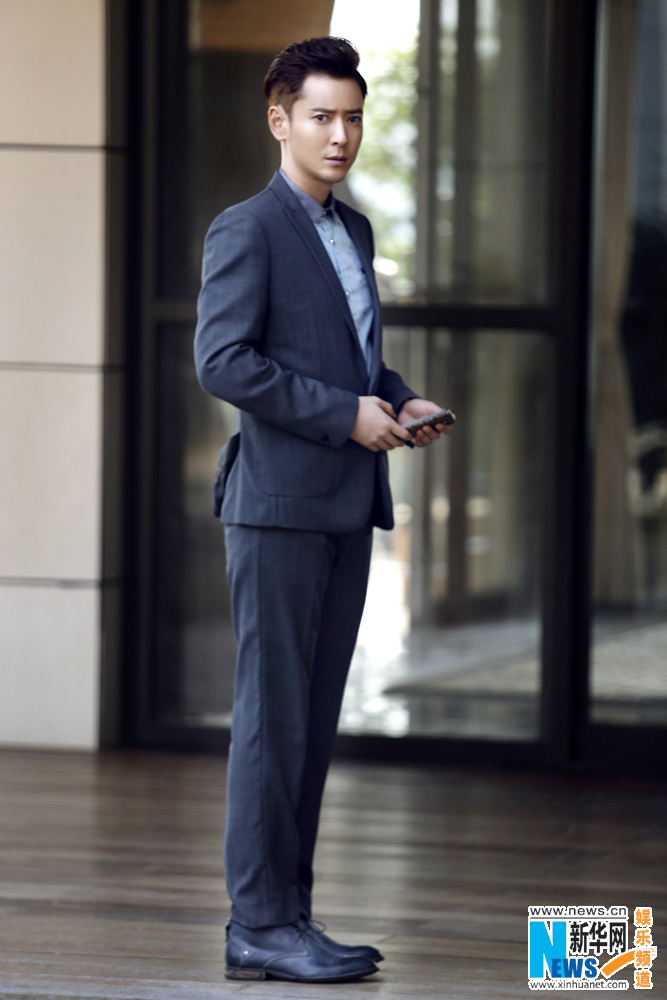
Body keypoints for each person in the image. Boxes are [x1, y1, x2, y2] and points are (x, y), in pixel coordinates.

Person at [194, 36, 452, 984]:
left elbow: (349, 356)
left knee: (308, 725)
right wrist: (345, 415)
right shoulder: (246, 228)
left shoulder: (356, 231)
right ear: (279, 120)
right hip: (275, 511)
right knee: (272, 723)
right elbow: (223, 361)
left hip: (343, 507)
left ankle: (286, 916)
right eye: (320, 117)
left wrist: (398, 397)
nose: (339, 135)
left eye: (352, 118)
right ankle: (259, 923)